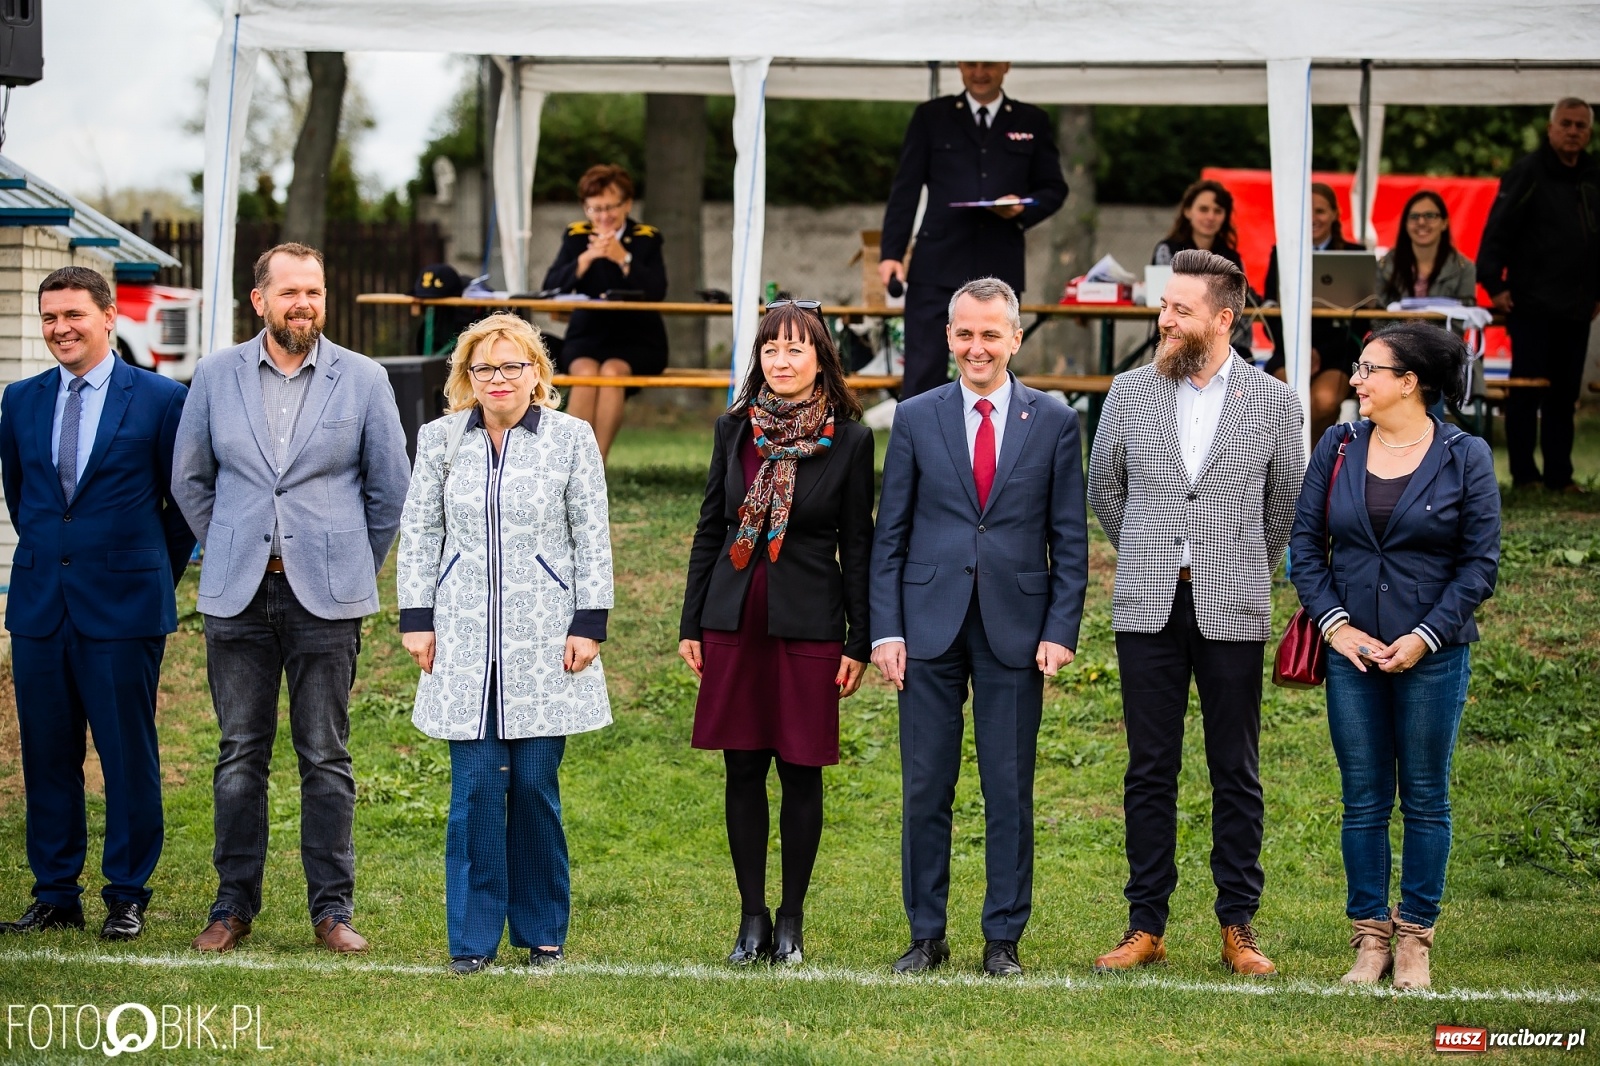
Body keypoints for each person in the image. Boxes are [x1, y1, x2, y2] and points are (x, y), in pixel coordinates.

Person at [173, 243, 411, 955]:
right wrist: (231, 545)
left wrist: (347, 566)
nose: (303, 303)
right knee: (240, 754)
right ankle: (231, 907)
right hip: (236, 595)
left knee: (325, 757)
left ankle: (331, 912)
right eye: (289, 292)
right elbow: (190, 479)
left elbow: (388, 489)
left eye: (314, 290)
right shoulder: (215, 376)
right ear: (260, 301)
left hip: (327, 600)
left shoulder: (364, 379)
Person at [1087, 249, 1305, 977]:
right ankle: (1145, 924)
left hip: (1233, 602)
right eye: (1163, 306)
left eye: (1179, 309)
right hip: (1148, 601)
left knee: (1234, 768)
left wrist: (1237, 560)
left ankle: (1238, 925)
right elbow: (1105, 492)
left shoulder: (1275, 403)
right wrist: (1154, 552)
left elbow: (1284, 508)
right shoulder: (1127, 392)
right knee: (1149, 768)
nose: (1164, 318)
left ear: (1223, 318)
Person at [870, 277, 1088, 978]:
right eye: (965, 333)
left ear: (1016, 338)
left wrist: (1059, 628)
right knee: (925, 785)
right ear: (948, 337)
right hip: (926, 627)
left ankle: (1003, 938)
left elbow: (1070, 540)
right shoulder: (915, 416)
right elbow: (890, 535)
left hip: (1017, 630)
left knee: (1008, 787)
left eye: (991, 334)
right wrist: (885, 631)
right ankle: (926, 934)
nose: (977, 347)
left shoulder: (1054, 421)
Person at [396, 313, 613, 976]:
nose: (498, 378)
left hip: (547, 639)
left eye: (512, 365)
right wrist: (417, 617)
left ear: (537, 373)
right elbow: (420, 532)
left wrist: (589, 623)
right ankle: (472, 938)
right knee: (476, 791)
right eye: (484, 367)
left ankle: (543, 933)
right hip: (461, 639)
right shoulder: (439, 441)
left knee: (533, 786)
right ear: (466, 376)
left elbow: (591, 536)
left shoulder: (571, 439)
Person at [1289, 323, 1500, 990]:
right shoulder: (1339, 444)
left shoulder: (1466, 456)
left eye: (1370, 369)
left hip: (1432, 656)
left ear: (1411, 381)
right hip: (1352, 656)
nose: (1356, 380)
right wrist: (1336, 626)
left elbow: (1479, 567)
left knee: (1427, 798)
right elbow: (1304, 544)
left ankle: (1415, 941)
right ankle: (1369, 941)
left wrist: (1425, 637)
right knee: (1363, 799)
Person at [0, 267, 195, 941]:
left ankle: (126, 892)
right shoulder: (19, 400)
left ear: (108, 316)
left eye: (73, 315)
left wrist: (148, 576)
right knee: (47, 755)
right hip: (39, 608)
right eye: (49, 317)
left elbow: (184, 507)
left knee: (125, 753)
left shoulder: (162, 399)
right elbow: (23, 496)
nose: (60, 329)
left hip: (126, 607)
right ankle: (56, 892)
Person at [679, 302, 875, 967]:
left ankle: (791, 920)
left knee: (799, 768)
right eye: (770, 351)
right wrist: (692, 623)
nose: (782, 362)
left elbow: (859, 544)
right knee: (741, 766)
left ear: (821, 357)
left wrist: (859, 640)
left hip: (809, 623)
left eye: (796, 349)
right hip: (734, 617)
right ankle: (751, 919)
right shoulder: (733, 430)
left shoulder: (849, 440)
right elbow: (712, 527)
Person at [878, 62, 1068, 400]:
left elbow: (1054, 189)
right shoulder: (931, 116)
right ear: (960, 65)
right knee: (923, 368)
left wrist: (1023, 207)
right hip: (935, 264)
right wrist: (891, 253)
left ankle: (989, 449)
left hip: (999, 264)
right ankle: (918, 452)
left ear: (1006, 65)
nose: (980, 71)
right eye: (972, 63)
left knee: (991, 368)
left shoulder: (1031, 120)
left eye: (990, 63)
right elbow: (905, 189)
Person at [1477, 97, 1600, 493]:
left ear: (1589, 132)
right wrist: (1495, 285)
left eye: (1581, 125)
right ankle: (1525, 475)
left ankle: (1560, 477)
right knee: (1527, 392)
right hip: (1530, 304)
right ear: (1551, 129)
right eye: (1566, 123)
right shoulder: (1527, 172)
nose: (1573, 131)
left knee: (1564, 397)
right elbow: (1497, 230)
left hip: (1578, 305)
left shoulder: (1594, 176)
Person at [542, 164, 668, 461]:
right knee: (585, 373)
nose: (603, 216)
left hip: (638, 338)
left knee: (611, 372)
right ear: (585, 208)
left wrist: (623, 259)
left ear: (626, 204)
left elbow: (657, 290)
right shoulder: (576, 237)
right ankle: (570, 464)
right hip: (587, 335)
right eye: (595, 208)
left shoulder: (646, 238)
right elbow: (550, 286)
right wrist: (586, 258)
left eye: (611, 207)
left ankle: (597, 466)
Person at [1264, 183, 1367, 442]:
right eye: (1306, 211)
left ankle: (1311, 465)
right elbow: (1270, 311)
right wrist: (1298, 350)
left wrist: (1318, 353)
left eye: (1320, 211)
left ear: (1334, 213)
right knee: (1288, 403)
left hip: (1337, 354)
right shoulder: (1281, 253)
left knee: (1323, 402)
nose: (1313, 218)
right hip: (1289, 352)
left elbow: (1361, 320)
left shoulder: (1356, 256)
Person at [1376, 191, 1478, 307]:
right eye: (1414, 217)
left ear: (1444, 223)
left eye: (1430, 216)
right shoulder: (1384, 266)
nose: (1421, 222)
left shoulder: (1464, 269)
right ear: (1405, 224)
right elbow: (1377, 317)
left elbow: (1464, 317)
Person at [1152, 179, 1245, 272]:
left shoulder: (1232, 260)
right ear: (1187, 211)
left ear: (1226, 216)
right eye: (1203, 209)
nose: (1210, 217)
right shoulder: (1167, 252)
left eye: (1218, 211)